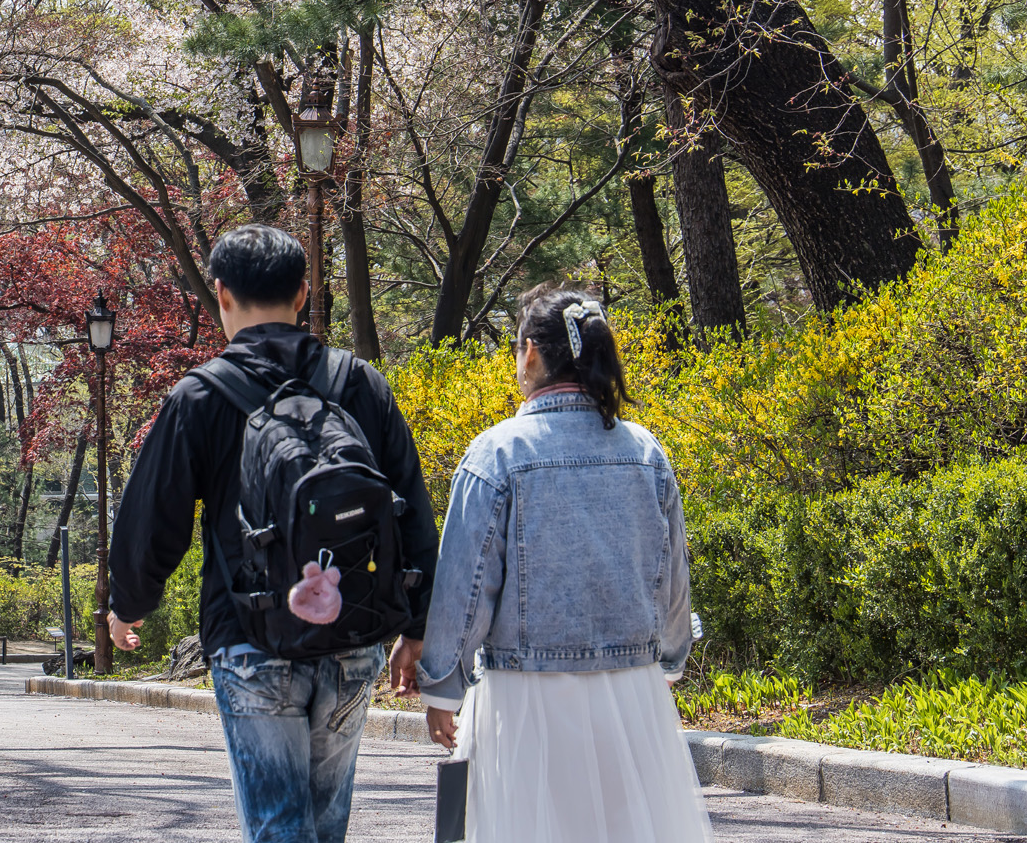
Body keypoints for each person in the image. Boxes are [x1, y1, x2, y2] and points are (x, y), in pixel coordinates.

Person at [104, 224, 439, 843]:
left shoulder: (201, 396)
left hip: (248, 636)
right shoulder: (359, 384)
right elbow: (411, 510)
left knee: (279, 828)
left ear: (221, 293)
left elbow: (156, 515)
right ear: (304, 292)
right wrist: (416, 628)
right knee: (324, 823)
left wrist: (129, 603)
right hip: (352, 634)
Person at [417, 283, 710, 843]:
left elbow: (465, 588)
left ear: (530, 352)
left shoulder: (497, 453)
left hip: (528, 698)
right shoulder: (645, 451)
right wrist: (668, 660)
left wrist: (442, 686)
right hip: (633, 693)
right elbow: (673, 579)